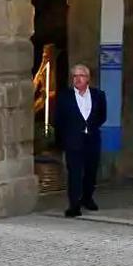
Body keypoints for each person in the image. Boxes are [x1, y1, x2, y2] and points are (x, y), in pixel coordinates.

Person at [54, 64, 107, 217]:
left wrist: (90, 127)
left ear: (88, 78)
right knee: (74, 173)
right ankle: (74, 204)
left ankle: (87, 198)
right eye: (75, 76)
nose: (77, 79)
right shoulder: (65, 96)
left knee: (91, 171)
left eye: (81, 76)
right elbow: (59, 119)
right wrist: (64, 138)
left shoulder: (98, 95)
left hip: (92, 139)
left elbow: (102, 116)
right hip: (73, 141)